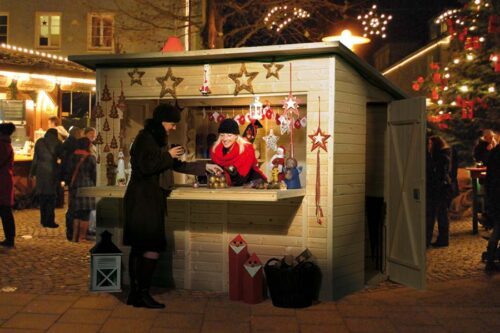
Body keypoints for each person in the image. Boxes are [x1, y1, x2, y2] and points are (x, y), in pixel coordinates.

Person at [123, 103, 221, 309]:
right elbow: (147, 166)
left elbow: (178, 165)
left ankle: (137, 294)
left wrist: (205, 166)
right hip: (143, 200)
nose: (174, 128)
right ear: (161, 122)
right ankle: (141, 294)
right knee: (149, 246)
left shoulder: (156, 139)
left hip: (148, 199)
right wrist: (168, 155)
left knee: (141, 246)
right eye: (172, 124)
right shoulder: (145, 139)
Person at [210, 118, 267, 186]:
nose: (225, 139)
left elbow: (241, 180)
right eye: (222, 135)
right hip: (230, 189)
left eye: (229, 135)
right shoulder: (215, 151)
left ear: (236, 136)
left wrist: (228, 171)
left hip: (253, 186)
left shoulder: (247, 150)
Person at [30, 128, 62, 228]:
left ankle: (43, 220)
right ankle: (50, 221)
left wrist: (32, 173)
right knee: (51, 197)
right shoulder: (58, 142)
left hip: (40, 172)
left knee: (42, 197)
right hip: (52, 171)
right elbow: (61, 157)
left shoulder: (39, 142)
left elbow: (35, 159)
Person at [67, 138, 96, 242]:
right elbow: (94, 174)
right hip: (87, 187)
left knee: (77, 213)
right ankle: (82, 237)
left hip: (75, 186)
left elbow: (68, 172)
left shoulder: (72, 157)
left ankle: (75, 237)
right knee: (85, 215)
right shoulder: (90, 158)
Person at [426, 136, 452, 247]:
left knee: (439, 214)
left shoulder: (440, 157)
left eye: (431, 144)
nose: (429, 146)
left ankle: (441, 239)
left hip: (439, 189)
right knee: (441, 214)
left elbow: (439, 175)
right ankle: (442, 239)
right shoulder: (443, 155)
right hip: (442, 188)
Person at [61, 126, 82, 240]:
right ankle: (72, 232)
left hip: (70, 178)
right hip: (75, 178)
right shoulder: (76, 146)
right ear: (77, 133)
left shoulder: (66, 144)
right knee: (74, 206)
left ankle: (71, 232)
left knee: (71, 205)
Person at [0, 123, 16, 248]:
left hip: (2, 181)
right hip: (6, 180)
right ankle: (10, 238)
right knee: (6, 211)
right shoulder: (7, 144)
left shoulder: (2, 145)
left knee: (5, 211)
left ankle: (10, 239)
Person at [484, 143, 500, 272]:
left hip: (494, 196)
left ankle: (490, 259)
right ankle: (490, 259)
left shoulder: (493, 154)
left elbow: (488, 178)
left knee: (497, 227)